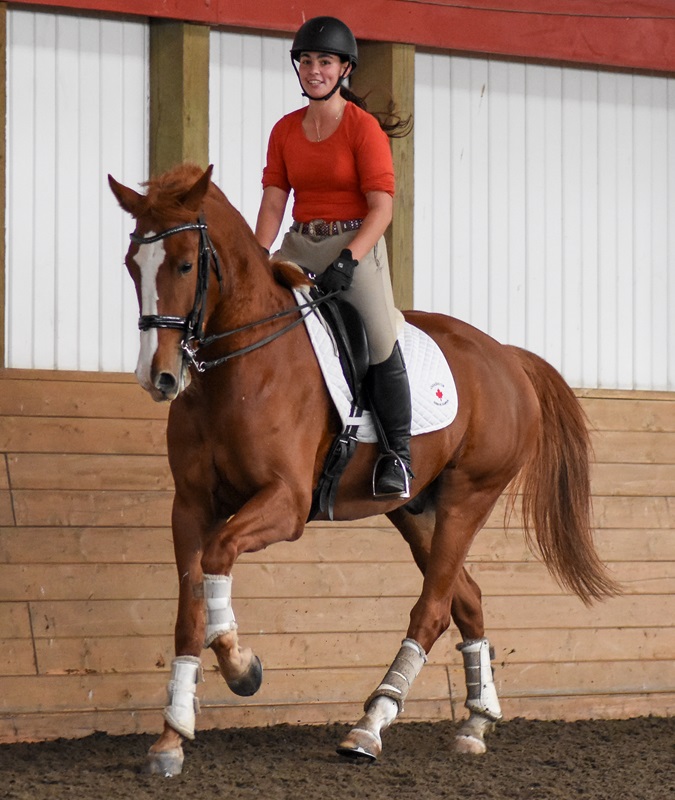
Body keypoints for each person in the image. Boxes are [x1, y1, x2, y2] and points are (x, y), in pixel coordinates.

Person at [255, 16, 413, 498]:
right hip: (301, 242)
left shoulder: (363, 130)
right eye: (306, 60)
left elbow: (382, 208)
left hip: (355, 242)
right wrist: (257, 254)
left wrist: (348, 260)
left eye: (324, 61)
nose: (313, 69)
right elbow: (274, 200)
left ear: (344, 69)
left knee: (380, 336)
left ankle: (398, 456)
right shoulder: (284, 130)